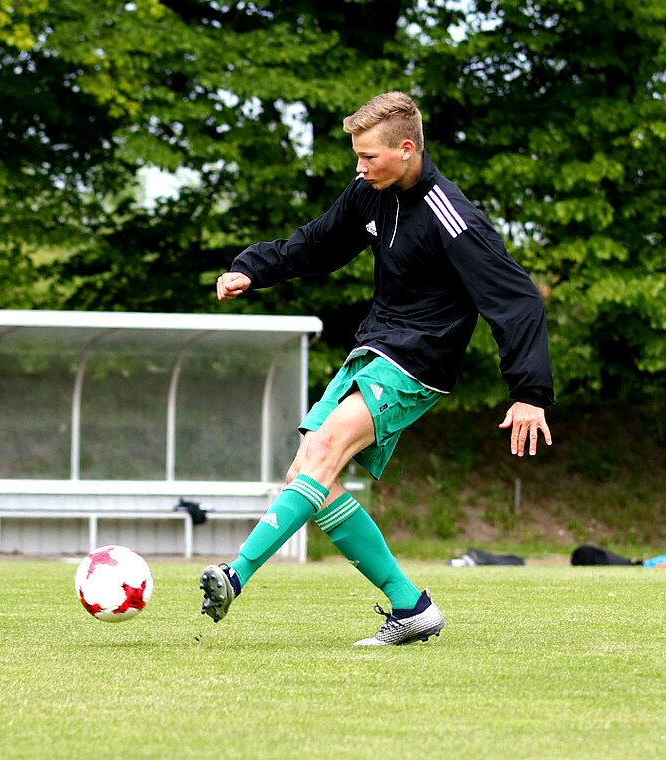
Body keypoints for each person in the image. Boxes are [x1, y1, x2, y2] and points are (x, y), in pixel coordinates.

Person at [200, 91, 554, 645]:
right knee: (310, 477)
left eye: (369, 157)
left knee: (320, 454)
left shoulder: (452, 216)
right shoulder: (371, 192)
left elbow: (517, 301)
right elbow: (319, 242)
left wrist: (528, 392)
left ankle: (233, 575)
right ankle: (411, 607)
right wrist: (254, 268)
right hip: (375, 348)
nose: (359, 169)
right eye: (357, 157)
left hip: (420, 360)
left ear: (406, 149)